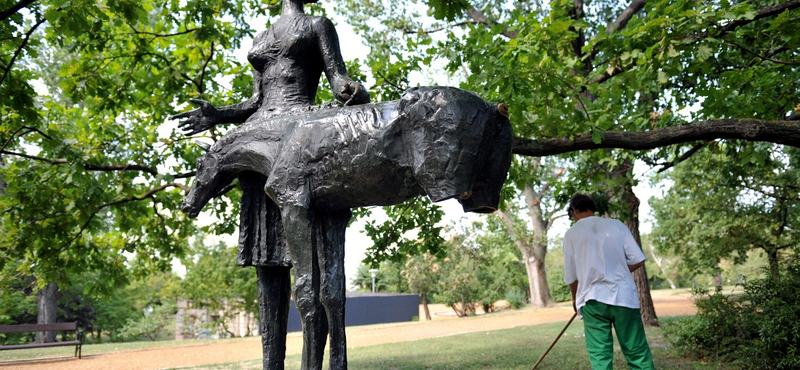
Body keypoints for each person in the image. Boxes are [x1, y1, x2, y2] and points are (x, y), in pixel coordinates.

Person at [172, 1, 369, 369]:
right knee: (268, 266)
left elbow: (337, 78)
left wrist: (354, 95)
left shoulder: (318, 24)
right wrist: (216, 114)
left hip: (301, 139)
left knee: (319, 268)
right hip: (259, 148)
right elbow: (255, 101)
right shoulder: (262, 34)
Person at [563, 194, 655, 370]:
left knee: (600, 355)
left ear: (574, 210)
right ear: (592, 208)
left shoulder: (571, 234)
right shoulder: (617, 225)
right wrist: (618, 270)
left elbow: (571, 276)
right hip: (624, 296)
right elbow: (638, 259)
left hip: (592, 300)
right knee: (637, 351)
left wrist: (575, 299)